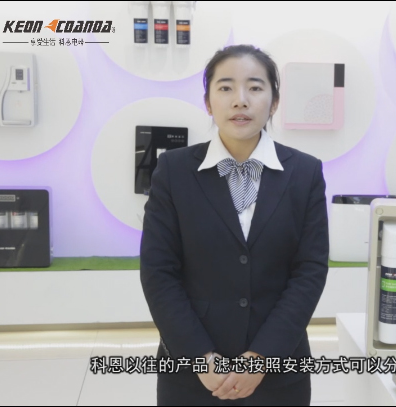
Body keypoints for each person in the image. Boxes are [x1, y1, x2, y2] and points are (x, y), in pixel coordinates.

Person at [140, 44, 329, 406]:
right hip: (193, 371)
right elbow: (158, 272)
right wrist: (200, 357)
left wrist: (262, 358)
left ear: (274, 102)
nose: (240, 100)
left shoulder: (305, 172)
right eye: (225, 87)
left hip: (278, 367)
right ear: (209, 103)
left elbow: (309, 271)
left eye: (255, 87)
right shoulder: (174, 171)